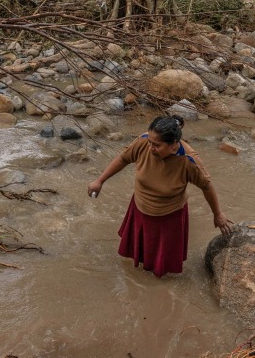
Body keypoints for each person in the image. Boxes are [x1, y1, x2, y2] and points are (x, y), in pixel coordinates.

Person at [87, 115, 233, 277]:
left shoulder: (189, 161)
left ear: (173, 145)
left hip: (169, 217)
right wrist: (100, 180)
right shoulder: (143, 142)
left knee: (162, 270)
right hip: (140, 209)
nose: (151, 147)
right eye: (150, 142)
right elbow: (123, 158)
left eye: (156, 145)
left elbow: (207, 186)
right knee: (139, 262)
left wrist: (217, 213)